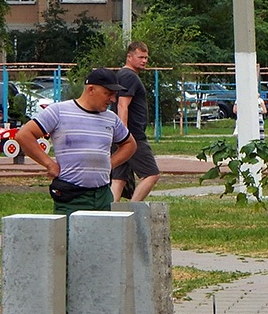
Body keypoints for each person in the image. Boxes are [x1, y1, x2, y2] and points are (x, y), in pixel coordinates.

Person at [15, 68, 137, 216]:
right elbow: (24, 135)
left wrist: (109, 164)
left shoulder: (111, 118)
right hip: (71, 196)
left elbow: (130, 144)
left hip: (102, 194)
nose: (112, 99)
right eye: (108, 93)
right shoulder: (59, 111)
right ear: (91, 89)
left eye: (115, 95)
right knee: (69, 237)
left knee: (103, 238)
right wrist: (49, 164)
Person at [111, 41, 161, 202]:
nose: (144, 60)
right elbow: (122, 105)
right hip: (132, 136)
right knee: (151, 174)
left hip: (121, 135)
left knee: (119, 179)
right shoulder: (129, 76)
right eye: (140, 57)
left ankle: (108, 215)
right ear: (129, 57)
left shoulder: (122, 75)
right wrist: (124, 135)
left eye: (146, 57)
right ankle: (133, 209)